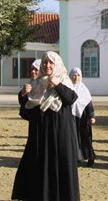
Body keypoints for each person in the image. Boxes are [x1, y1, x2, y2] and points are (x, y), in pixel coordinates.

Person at [11, 51, 80, 201]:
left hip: (60, 134)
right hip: (40, 135)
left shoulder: (64, 81)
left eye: (51, 63)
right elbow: (26, 110)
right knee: (39, 168)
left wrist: (57, 84)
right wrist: (22, 94)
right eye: (45, 62)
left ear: (57, 65)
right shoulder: (37, 84)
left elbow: (71, 98)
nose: (47, 65)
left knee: (60, 167)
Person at [69, 67, 96, 167]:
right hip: (71, 118)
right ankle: (77, 158)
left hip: (83, 118)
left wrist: (91, 116)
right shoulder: (68, 87)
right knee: (74, 139)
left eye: (78, 75)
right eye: (74, 75)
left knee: (85, 138)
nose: (76, 77)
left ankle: (90, 157)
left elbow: (89, 104)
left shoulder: (84, 89)